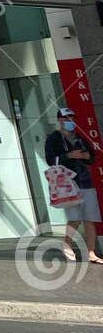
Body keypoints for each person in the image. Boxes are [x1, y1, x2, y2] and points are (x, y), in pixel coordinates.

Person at [46, 107, 103, 264]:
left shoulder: (79, 137)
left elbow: (91, 156)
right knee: (75, 218)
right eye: (66, 118)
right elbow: (51, 160)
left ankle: (91, 252)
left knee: (90, 218)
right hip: (68, 184)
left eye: (72, 118)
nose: (70, 121)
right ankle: (67, 243)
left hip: (85, 180)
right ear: (60, 120)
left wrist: (86, 156)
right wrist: (69, 155)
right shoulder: (54, 138)